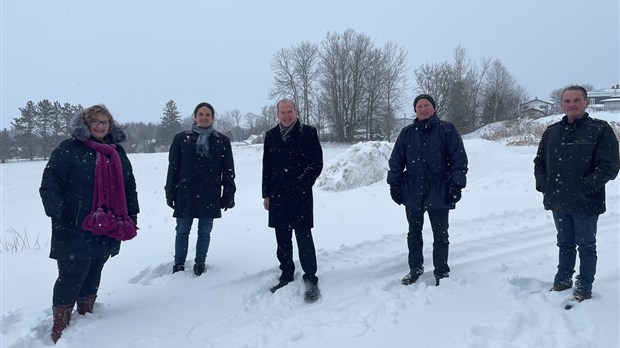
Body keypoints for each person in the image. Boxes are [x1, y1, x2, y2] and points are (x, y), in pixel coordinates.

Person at [40, 105, 139, 343]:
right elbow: (50, 182)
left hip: (108, 225)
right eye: (96, 121)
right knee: (72, 274)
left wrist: (131, 216)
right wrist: (58, 213)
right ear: (85, 123)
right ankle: (60, 322)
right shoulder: (69, 149)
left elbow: (128, 186)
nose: (100, 126)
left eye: (105, 122)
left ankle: (86, 316)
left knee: (95, 269)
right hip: (74, 224)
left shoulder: (116, 152)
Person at [534, 85, 619, 303]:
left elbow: (609, 166)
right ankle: (563, 280)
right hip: (558, 200)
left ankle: (584, 286)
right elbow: (540, 162)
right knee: (564, 243)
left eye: (576, 100)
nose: (572, 104)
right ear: (561, 104)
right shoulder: (552, 132)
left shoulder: (599, 129)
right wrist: (544, 185)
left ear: (586, 102)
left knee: (586, 245)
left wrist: (586, 188)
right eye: (567, 101)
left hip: (586, 203)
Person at [387, 94, 468, 286]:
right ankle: (415, 269)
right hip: (413, 191)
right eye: (419, 106)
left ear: (434, 108)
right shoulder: (407, 133)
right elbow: (396, 161)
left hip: (440, 189)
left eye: (427, 105)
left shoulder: (447, 130)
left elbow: (459, 160)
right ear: (415, 110)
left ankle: (441, 271)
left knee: (441, 234)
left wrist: (456, 185)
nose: (423, 109)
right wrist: (394, 184)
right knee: (414, 233)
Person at [262, 98, 323, 302]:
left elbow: (316, 162)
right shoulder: (271, 136)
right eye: (282, 112)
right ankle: (286, 273)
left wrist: (302, 181)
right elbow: (267, 167)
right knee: (282, 238)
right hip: (278, 195)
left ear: (296, 112)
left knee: (304, 237)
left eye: (290, 111)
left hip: (301, 194)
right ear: (277, 114)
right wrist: (266, 194)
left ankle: (310, 279)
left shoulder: (308, 132)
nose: (286, 115)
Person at [165, 102, 236, 276]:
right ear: (195, 117)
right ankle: (179, 265)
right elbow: (173, 167)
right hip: (185, 193)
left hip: (210, 194)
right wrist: (170, 191)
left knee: (204, 232)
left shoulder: (222, 140)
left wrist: (228, 193)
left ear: (212, 118)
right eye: (200, 114)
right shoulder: (181, 138)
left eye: (207, 115)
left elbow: (228, 171)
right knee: (182, 231)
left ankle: (200, 264)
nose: (204, 118)